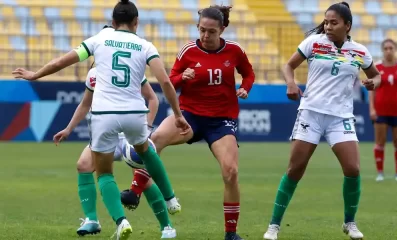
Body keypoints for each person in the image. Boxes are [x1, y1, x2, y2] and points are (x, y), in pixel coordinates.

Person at [12, 1, 190, 239]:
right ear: (136, 23)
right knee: (146, 152)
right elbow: (166, 83)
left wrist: (35, 75)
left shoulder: (99, 40)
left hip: (105, 116)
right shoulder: (145, 45)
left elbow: (61, 61)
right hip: (135, 115)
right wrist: (178, 115)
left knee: (104, 174)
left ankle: (121, 222)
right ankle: (170, 199)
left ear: (113, 23)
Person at [122, 5, 255, 240]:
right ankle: (135, 191)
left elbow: (248, 73)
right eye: (202, 30)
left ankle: (231, 233)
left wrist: (245, 87)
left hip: (221, 121)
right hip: (189, 115)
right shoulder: (187, 51)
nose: (205, 35)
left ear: (222, 29)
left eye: (211, 31)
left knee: (231, 171)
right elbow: (170, 80)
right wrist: (182, 77)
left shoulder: (235, 51)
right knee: (154, 140)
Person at [262, 2, 380, 240]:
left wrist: (373, 83)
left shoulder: (359, 51)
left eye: (333, 22)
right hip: (311, 113)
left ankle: (350, 223)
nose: (327, 26)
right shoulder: (313, 43)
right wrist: (291, 83)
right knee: (295, 169)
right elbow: (288, 65)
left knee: (353, 169)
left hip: (341, 117)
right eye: (326, 21)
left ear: (347, 25)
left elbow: (375, 75)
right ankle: (273, 226)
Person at [53, 67, 177, 238]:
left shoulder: (129, 67)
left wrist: (146, 129)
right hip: (105, 135)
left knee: (143, 180)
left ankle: (167, 227)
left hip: (128, 136)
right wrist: (68, 129)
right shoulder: (93, 74)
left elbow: (152, 98)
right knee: (83, 165)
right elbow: (85, 104)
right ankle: (92, 220)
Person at [369, 39, 397, 182]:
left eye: (391, 48)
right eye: (386, 48)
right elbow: (372, 90)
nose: (388, 51)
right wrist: (372, 108)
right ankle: (380, 173)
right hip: (381, 110)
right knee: (380, 142)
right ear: (382, 50)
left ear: (395, 49)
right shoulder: (377, 68)